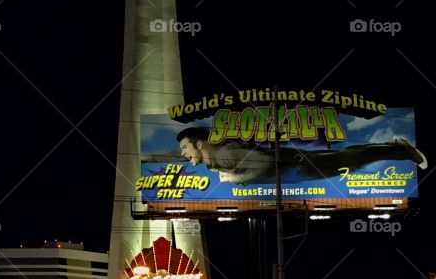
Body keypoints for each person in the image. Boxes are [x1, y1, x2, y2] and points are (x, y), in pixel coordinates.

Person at [142, 126, 427, 185]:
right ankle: (395, 146)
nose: (181, 154)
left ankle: (400, 148)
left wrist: (233, 180)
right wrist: (141, 158)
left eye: (185, 148)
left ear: (201, 144)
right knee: (351, 156)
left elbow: (264, 165)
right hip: (294, 165)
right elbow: (171, 154)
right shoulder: (205, 155)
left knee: (351, 159)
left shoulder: (226, 154)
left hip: (298, 165)